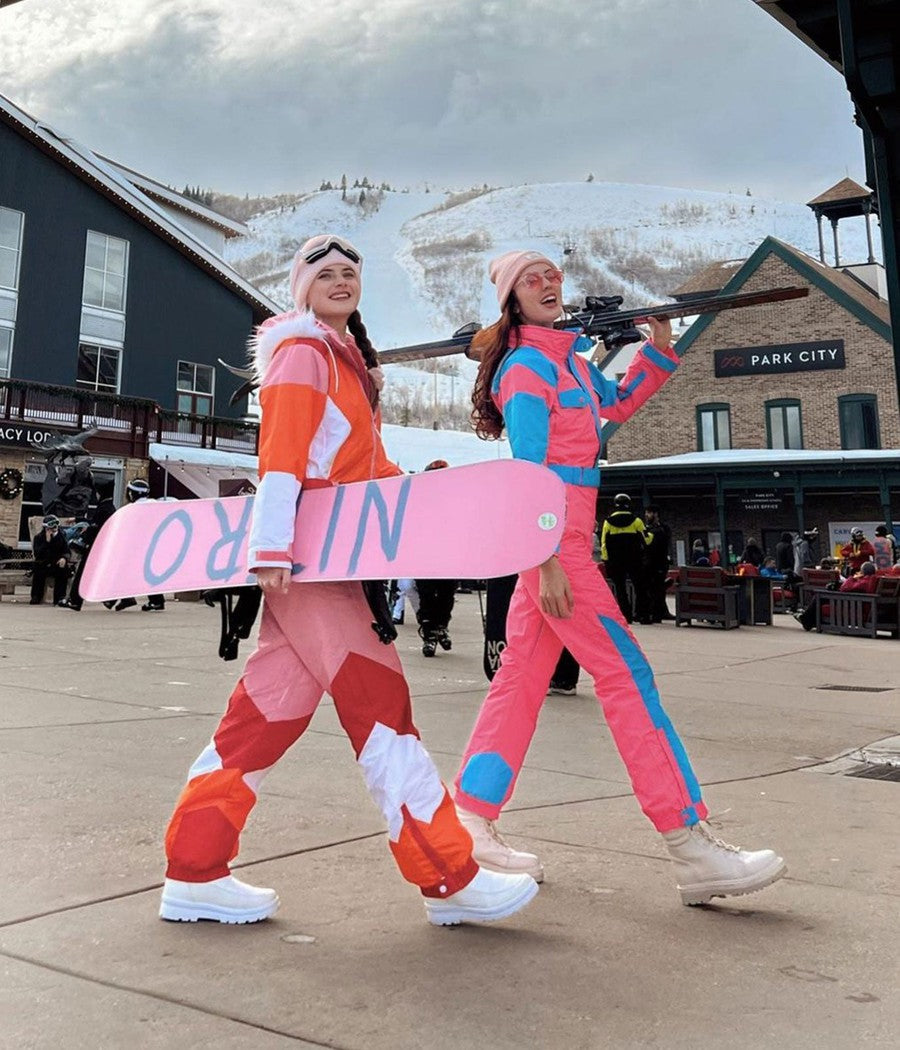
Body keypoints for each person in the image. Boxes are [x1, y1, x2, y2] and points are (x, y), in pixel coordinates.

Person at [159, 234, 538, 928]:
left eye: (349, 272)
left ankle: (194, 867)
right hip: (311, 562)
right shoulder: (304, 354)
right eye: (325, 273)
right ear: (302, 289)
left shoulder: (345, 364)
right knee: (382, 711)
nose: (340, 281)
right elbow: (280, 456)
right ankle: (447, 876)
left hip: (327, 558)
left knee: (262, 721)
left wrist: (433, 501)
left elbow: (368, 471)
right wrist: (271, 546)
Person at [452, 249, 785, 904]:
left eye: (552, 275)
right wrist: (546, 559)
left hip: (565, 537)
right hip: (555, 541)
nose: (548, 284)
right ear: (511, 299)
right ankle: (688, 842)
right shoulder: (524, 369)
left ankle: (469, 819)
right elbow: (526, 475)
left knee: (520, 679)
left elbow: (619, 405)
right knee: (626, 675)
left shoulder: (570, 361)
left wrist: (656, 351)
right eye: (532, 279)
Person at [414, 460, 457, 657]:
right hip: (425, 557)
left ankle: (441, 626)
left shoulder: (455, 501)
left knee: (447, 595)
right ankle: (429, 634)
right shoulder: (419, 501)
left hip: (449, 556)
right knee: (427, 596)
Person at [112, 479, 167, 612]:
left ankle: (128, 598)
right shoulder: (156, 505)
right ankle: (154, 600)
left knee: (125, 570)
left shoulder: (133, 509)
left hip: (137, 546)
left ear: (132, 493)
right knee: (147, 574)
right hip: (154, 544)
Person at [62, 480, 117, 611]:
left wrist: (85, 538)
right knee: (103, 572)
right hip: (102, 546)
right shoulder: (108, 506)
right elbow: (94, 522)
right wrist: (78, 520)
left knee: (82, 573)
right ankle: (117, 598)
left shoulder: (104, 508)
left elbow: (96, 526)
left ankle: (75, 601)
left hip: (95, 546)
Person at [600, 493, 651, 624]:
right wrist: (652, 534)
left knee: (620, 589)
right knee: (640, 587)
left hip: (616, 561)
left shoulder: (608, 522)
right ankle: (643, 615)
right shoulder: (636, 521)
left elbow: (604, 544)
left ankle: (626, 616)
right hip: (634, 559)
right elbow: (647, 540)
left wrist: (606, 560)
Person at [30, 514, 70, 605]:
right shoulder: (39, 537)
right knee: (38, 571)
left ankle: (60, 598)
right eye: (52, 525)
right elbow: (38, 554)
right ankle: (36, 596)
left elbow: (66, 550)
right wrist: (47, 542)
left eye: (56, 524)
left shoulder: (62, 536)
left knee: (63, 570)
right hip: (43, 562)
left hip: (56, 562)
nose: (54, 527)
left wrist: (64, 558)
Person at [643, 504, 673, 622]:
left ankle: (660, 612)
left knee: (659, 587)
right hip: (648, 563)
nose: (646, 515)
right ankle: (656, 612)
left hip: (660, 562)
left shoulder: (664, 528)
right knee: (653, 588)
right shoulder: (645, 528)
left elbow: (665, 543)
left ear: (656, 514)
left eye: (649, 513)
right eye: (646, 513)